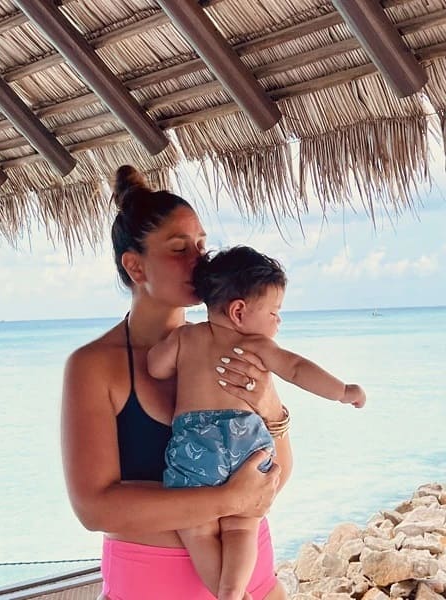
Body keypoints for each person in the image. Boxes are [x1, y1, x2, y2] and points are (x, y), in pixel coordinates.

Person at [61, 165, 292, 600]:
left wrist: (273, 408)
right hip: (151, 587)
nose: (199, 260)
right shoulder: (94, 366)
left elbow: (273, 475)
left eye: (202, 245)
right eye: (178, 248)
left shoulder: (235, 345)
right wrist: (227, 501)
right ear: (135, 266)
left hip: (255, 581)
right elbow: (95, 507)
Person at [147, 246, 366, 600]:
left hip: (196, 452)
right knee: (242, 525)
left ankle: (227, 593)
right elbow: (297, 369)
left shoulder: (187, 337)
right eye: (275, 312)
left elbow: (155, 367)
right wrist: (342, 391)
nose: (278, 321)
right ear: (239, 311)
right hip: (245, 448)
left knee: (197, 530)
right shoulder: (257, 347)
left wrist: (169, 351)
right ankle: (233, 591)